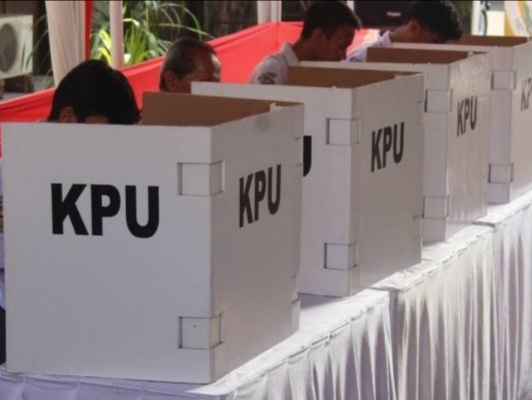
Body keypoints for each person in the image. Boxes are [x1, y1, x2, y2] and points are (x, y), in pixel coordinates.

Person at [0, 60, 141, 365]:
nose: (114, 149)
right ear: (67, 118)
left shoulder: (109, 173)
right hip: (15, 326)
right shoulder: (10, 176)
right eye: (107, 135)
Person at [249, 0, 361, 85]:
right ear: (318, 37)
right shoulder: (273, 70)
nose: (343, 56)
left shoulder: (320, 74)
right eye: (341, 47)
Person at [347, 0, 463, 62]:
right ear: (414, 28)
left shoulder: (422, 65)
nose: (434, 53)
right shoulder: (363, 60)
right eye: (433, 44)